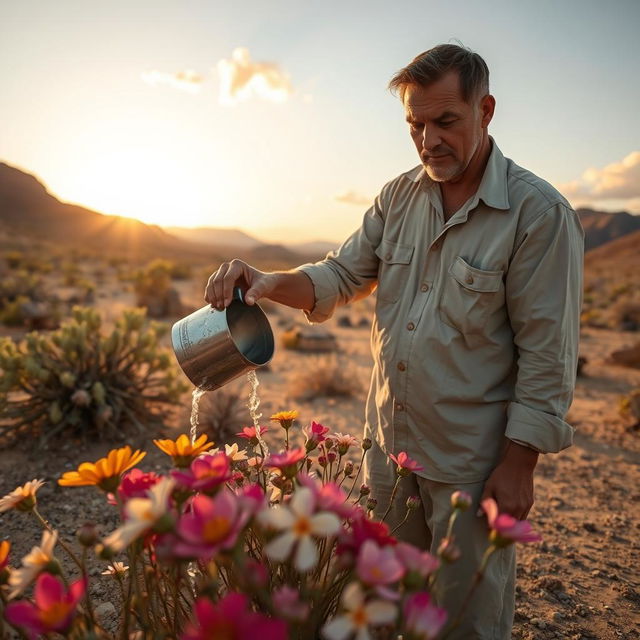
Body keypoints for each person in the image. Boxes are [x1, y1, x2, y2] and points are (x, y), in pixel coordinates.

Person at [204, 43, 584, 639]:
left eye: (445, 122)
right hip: (389, 452)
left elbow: (548, 353)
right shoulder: (398, 197)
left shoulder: (538, 215)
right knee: (385, 615)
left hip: (471, 465)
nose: (428, 139)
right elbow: (342, 275)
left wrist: (518, 466)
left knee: (464, 623)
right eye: (415, 124)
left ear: (485, 110)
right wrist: (267, 281)